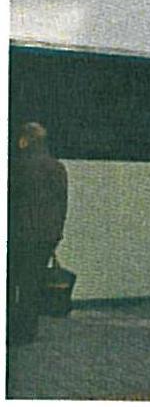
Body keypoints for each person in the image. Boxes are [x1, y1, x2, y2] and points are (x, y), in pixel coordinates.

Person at [7, 122, 69, 346]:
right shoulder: (57, 167)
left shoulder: (18, 167)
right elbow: (62, 204)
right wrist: (56, 233)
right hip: (45, 236)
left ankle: (11, 328)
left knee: (12, 282)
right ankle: (27, 331)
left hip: (19, 234)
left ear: (25, 140)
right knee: (32, 284)